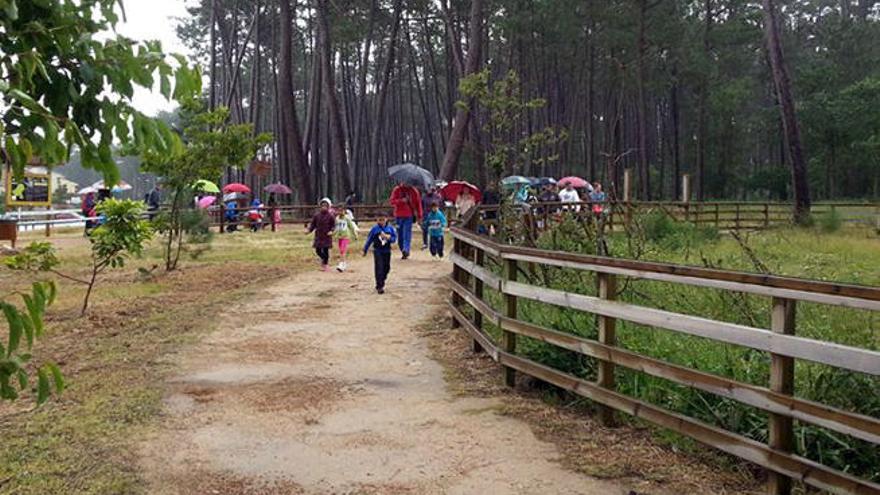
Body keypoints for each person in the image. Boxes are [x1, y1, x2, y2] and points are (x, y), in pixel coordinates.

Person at [362, 211, 397, 294]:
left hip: (387, 251)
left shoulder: (390, 228)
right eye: (379, 220)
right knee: (379, 268)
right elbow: (369, 239)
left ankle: (382, 279)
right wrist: (365, 249)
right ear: (376, 220)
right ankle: (379, 286)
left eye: (383, 220)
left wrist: (389, 238)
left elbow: (394, 239)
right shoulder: (375, 229)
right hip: (377, 250)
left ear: (386, 219)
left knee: (386, 267)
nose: (381, 222)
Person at [389, 182, 422, 260]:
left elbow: (418, 204)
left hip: (409, 216)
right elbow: (392, 201)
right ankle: (402, 249)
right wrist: (401, 201)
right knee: (400, 234)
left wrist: (420, 216)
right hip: (398, 216)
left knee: (407, 234)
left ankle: (406, 249)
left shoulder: (414, 191)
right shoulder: (397, 190)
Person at [306, 198, 336, 271]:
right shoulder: (317, 215)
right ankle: (323, 259)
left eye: (326, 206)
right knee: (318, 250)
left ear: (328, 207)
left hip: (326, 236)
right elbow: (313, 224)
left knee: (325, 250)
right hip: (319, 235)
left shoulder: (330, 216)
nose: (324, 207)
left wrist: (331, 231)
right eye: (322, 206)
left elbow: (333, 225)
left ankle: (325, 264)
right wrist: (309, 230)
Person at [333, 206, 358, 272]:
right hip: (339, 236)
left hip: (345, 236)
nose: (340, 212)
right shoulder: (337, 218)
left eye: (342, 211)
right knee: (341, 251)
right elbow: (336, 227)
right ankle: (344, 263)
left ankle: (341, 264)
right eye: (339, 211)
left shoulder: (347, 218)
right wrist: (334, 235)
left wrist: (354, 234)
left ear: (344, 211)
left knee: (342, 250)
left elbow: (351, 227)